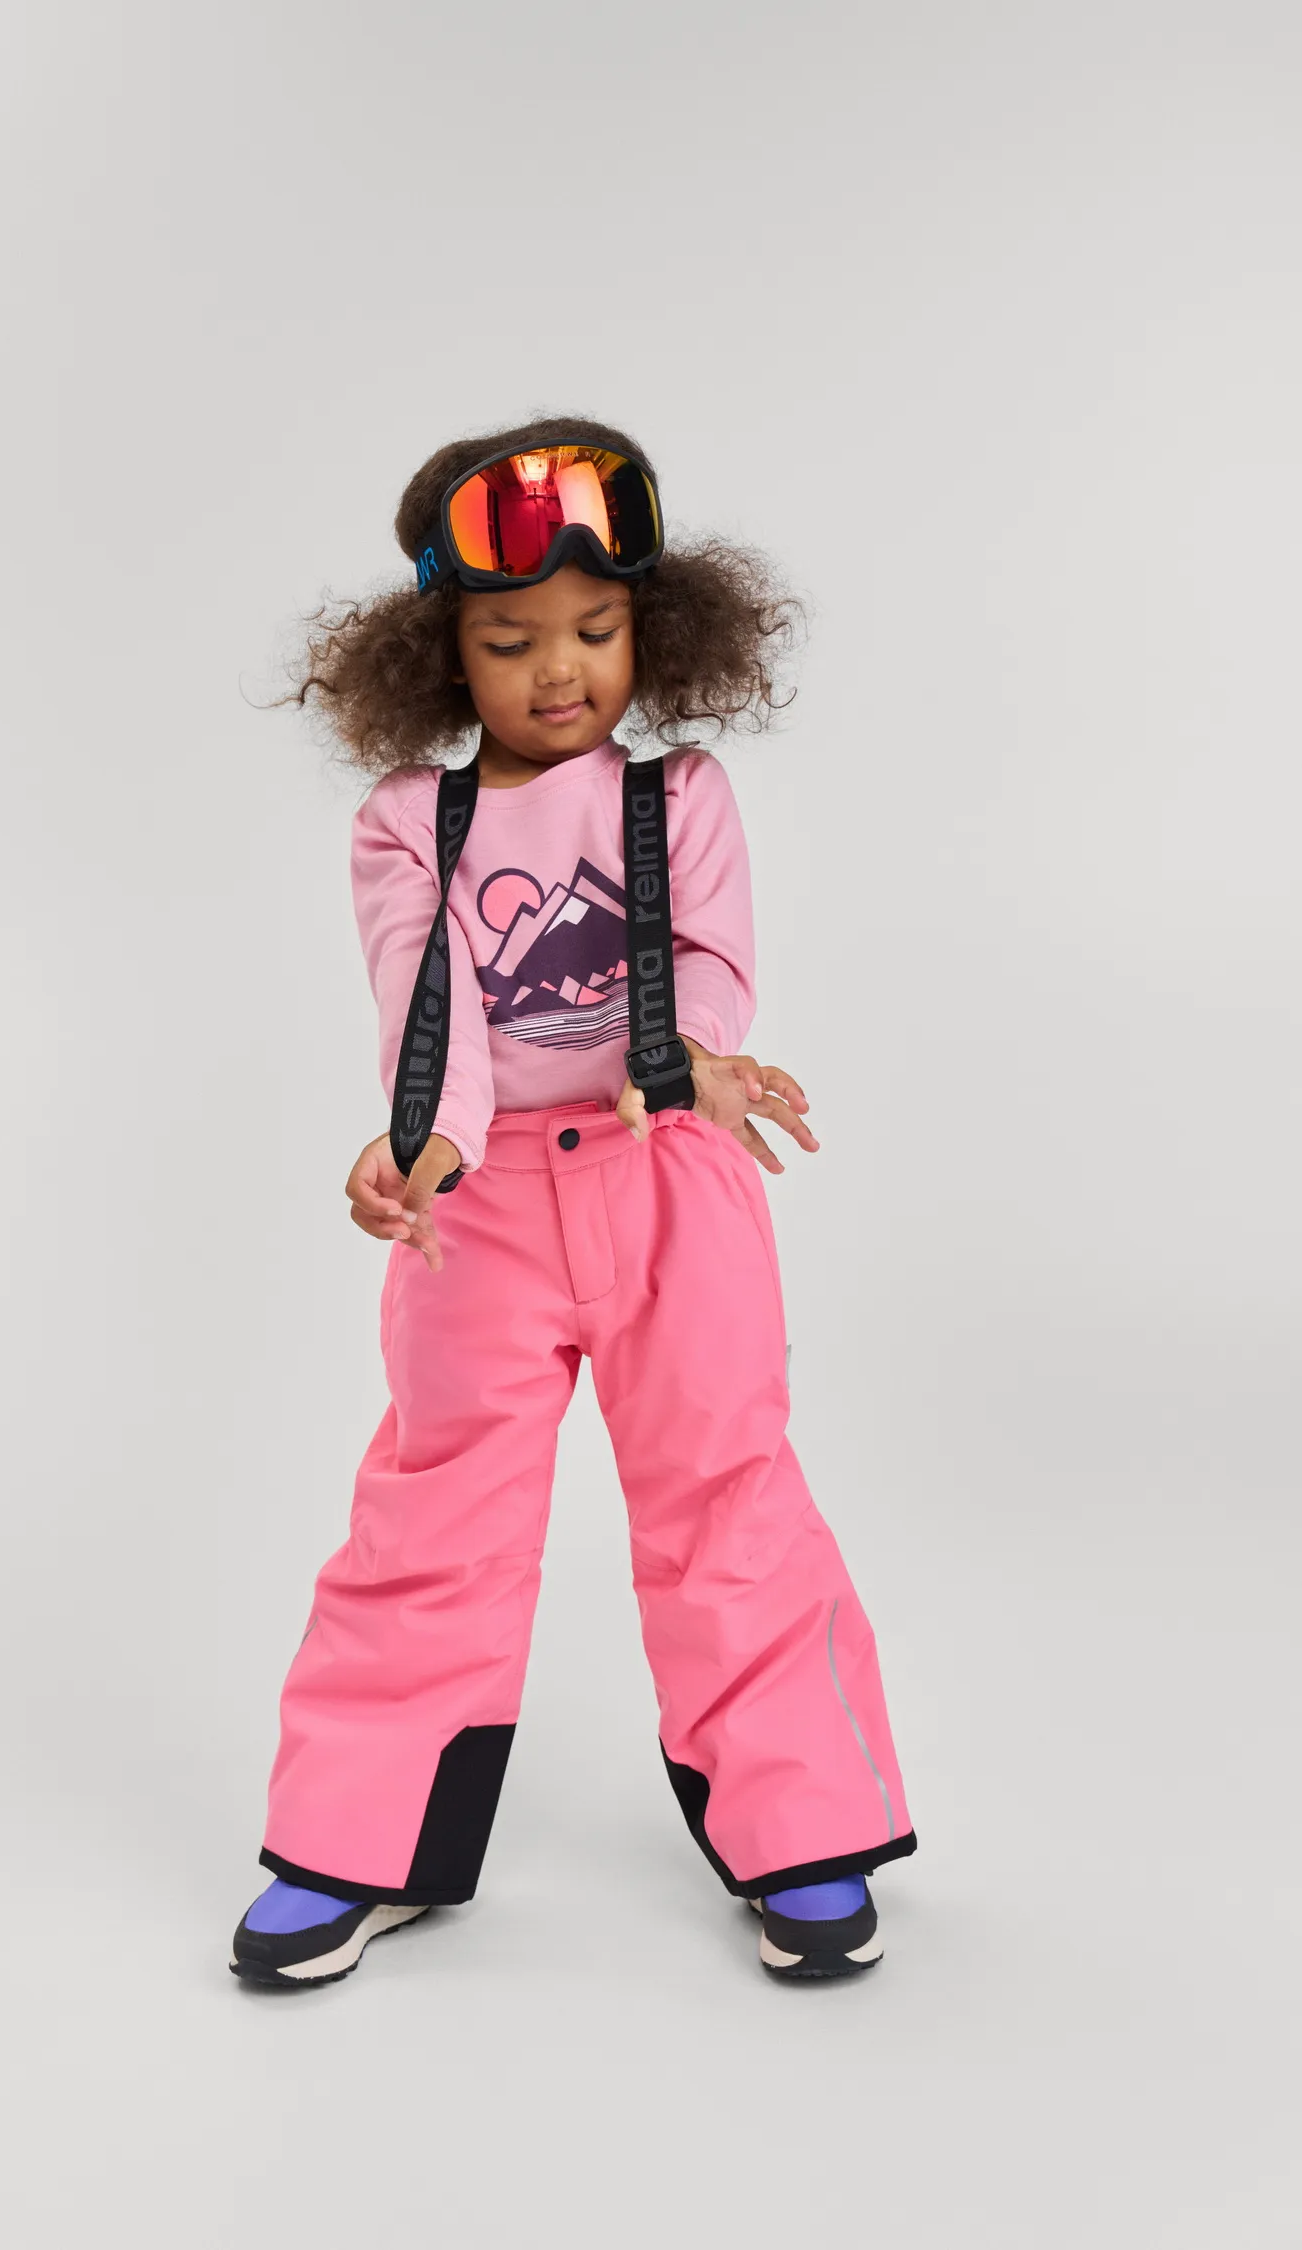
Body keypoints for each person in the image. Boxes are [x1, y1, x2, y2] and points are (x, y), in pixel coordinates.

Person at [230, 418, 915, 1991]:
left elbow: (713, 962)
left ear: (651, 629)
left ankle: (804, 1827)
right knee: (431, 1514)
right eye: (512, 641)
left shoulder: (681, 795)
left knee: (727, 1497)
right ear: (442, 655)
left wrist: (700, 1064)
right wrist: (424, 1147)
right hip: (479, 1215)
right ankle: (356, 1841)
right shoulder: (410, 822)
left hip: (672, 1183)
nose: (560, 670)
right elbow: (429, 1004)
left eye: (597, 631)